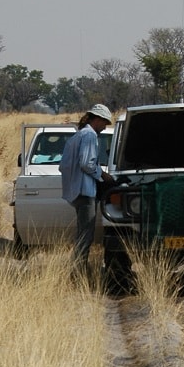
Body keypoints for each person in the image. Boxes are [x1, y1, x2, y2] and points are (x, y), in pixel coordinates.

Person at [60, 103, 115, 275]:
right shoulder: (90, 135)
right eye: (104, 123)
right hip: (85, 192)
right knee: (86, 234)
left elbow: (65, 166)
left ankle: (79, 269)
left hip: (77, 190)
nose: (105, 127)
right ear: (97, 119)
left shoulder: (77, 136)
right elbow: (86, 163)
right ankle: (78, 271)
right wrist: (103, 175)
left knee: (83, 231)